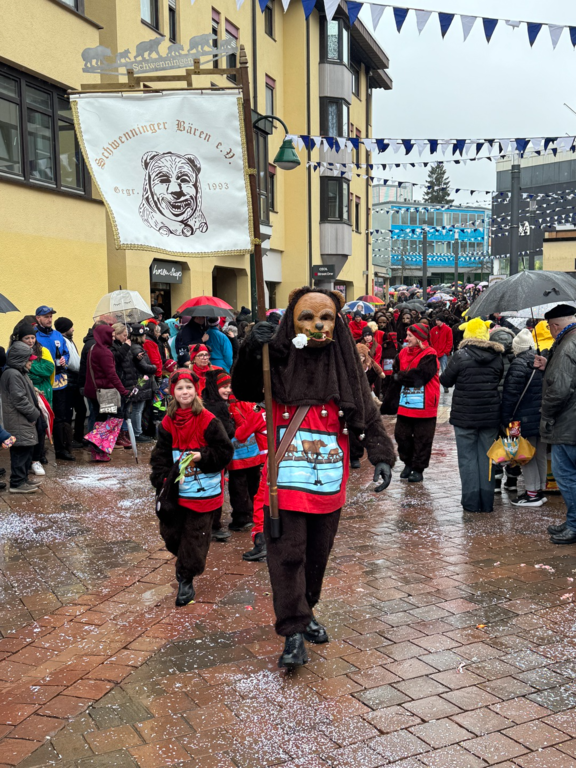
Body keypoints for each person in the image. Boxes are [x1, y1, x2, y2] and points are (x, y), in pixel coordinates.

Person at [232, 287, 395, 668]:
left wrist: (381, 454)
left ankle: (306, 611)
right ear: (293, 321)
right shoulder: (276, 357)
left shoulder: (345, 364)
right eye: (307, 317)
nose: (317, 325)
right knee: (288, 556)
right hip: (286, 478)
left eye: (325, 318)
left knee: (318, 555)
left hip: (327, 479)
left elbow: (365, 408)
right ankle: (292, 630)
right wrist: (251, 349)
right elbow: (245, 388)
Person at [150, 369, 234, 605]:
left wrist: (202, 456)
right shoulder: (167, 422)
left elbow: (224, 451)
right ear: (173, 392)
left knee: (195, 536)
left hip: (204, 492)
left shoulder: (209, 420)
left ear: (196, 391)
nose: (184, 392)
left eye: (188, 387)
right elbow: (160, 455)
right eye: (180, 388)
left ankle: (185, 578)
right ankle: (186, 559)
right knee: (170, 534)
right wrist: (161, 479)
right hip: (177, 491)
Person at [440, 317, 504, 513]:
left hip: (465, 415)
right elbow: (498, 378)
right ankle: (486, 502)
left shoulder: (460, 356)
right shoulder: (497, 357)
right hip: (490, 415)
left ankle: (471, 502)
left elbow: (446, 380)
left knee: (467, 458)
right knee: (487, 458)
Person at [532, 306, 576, 544]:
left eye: (549, 327)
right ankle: (572, 521)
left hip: (567, 424)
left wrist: (546, 414)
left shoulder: (567, 345)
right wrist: (548, 364)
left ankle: (574, 525)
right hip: (570, 422)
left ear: (555, 326)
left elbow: (559, 389)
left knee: (566, 476)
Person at [382, 323, 439, 483]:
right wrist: (389, 402)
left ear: (419, 338)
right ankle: (408, 462)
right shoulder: (402, 354)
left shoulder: (430, 354)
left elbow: (419, 377)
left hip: (425, 404)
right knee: (401, 436)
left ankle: (418, 468)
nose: (406, 339)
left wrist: (400, 376)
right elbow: (394, 375)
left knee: (423, 438)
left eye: (410, 336)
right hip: (405, 403)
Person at [501, 328, 546, 507]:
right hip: (542, 417)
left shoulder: (518, 364)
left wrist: (506, 419)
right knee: (540, 454)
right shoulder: (542, 361)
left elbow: (510, 395)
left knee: (525, 456)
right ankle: (540, 490)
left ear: (516, 348)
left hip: (521, 419)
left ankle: (532, 493)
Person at [12, 322, 54, 475]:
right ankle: (24, 468)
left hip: (40, 394)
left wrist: (33, 374)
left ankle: (36, 459)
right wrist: (35, 374)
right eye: (27, 338)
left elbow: (49, 369)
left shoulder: (42, 350)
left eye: (32, 337)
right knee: (28, 431)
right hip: (26, 400)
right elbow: (25, 376)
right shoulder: (14, 356)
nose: (30, 341)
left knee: (41, 427)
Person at [83, 324, 130, 462]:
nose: (113, 338)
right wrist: (123, 390)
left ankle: (98, 452)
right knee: (117, 417)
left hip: (94, 390)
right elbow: (112, 375)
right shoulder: (104, 352)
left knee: (101, 418)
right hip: (105, 392)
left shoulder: (93, 348)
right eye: (111, 336)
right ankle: (95, 439)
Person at [0, 342, 41, 494]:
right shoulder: (13, 374)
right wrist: (34, 413)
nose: (31, 362)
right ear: (20, 360)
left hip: (22, 419)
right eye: (29, 360)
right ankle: (17, 483)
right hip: (18, 419)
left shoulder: (19, 372)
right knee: (20, 450)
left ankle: (22, 479)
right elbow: (19, 399)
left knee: (26, 449)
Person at [35, 306, 73, 461]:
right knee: (41, 417)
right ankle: (39, 453)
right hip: (42, 382)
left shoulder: (57, 335)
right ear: (38, 318)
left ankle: (61, 449)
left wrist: (64, 359)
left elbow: (66, 353)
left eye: (51, 316)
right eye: (46, 317)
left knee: (60, 416)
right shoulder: (33, 336)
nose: (49, 319)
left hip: (59, 381)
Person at [54, 317, 85, 450]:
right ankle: (71, 439)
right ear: (65, 328)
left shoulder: (68, 340)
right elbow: (72, 363)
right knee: (70, 411)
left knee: (79, 410)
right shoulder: (63, 341)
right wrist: (80, 370)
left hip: (73, 380)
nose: (73, 329)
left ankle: (76, 437)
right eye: (70, 327)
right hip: (69, 380)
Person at [125, 324, 158, 443]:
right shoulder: (137, 349)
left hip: (138, 381)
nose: (145, 337)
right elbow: (143, 366)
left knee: (136, 409)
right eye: (144, 335)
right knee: (137, 409)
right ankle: (137, 433)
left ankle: (135, 432)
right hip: (140, 381)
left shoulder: (134, 347)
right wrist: (154, 367)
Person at [430, 316, 453, 391]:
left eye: (438, 320)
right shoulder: (433, 330)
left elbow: (449, 341)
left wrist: (446, 351)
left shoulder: (448, 329)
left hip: (443, 353)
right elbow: (430, 340)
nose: (436, 322)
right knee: (434, 371)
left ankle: (445, 386)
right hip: (435, 353)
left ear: (442, 321)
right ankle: (434, 386)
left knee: (444, 370)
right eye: (436, 320)